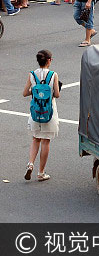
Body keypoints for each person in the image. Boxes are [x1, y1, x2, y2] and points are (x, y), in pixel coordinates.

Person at [23, 49, 59, 182]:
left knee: (35, 139)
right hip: (49, 112)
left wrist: (35, 90)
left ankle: (30, 163)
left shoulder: (32, 75)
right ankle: (41, 172)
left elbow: (25, 93)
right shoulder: (53, 75)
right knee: (45, 141)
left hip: (35, 112)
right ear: (49, 60)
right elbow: (56, 94)